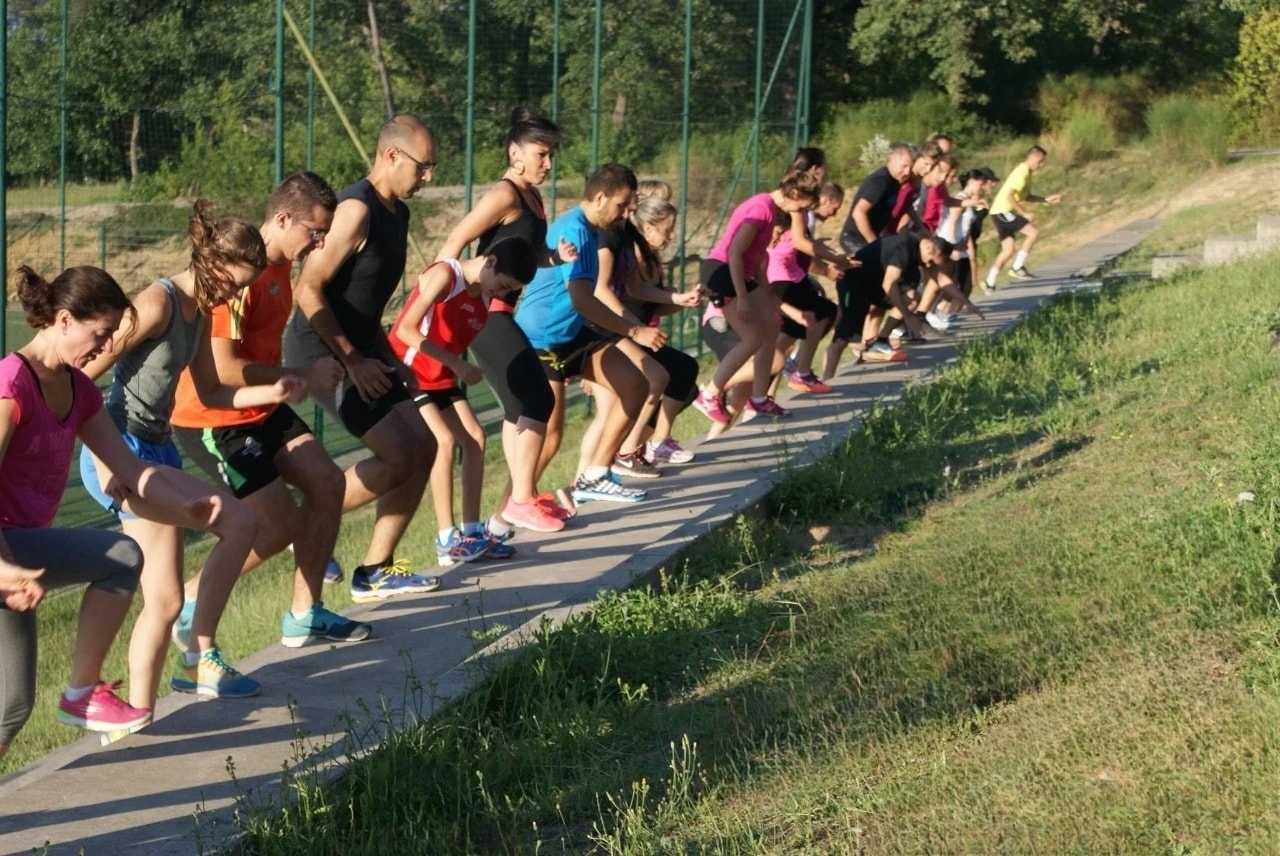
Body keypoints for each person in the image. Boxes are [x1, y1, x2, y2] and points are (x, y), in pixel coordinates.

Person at [80, 202, 304, 708]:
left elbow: (212, 392)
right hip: (121, 450)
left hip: (156, 451)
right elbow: (81, 380)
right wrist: (109, 462)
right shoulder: (156, 303)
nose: (231, 297)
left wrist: (274, 390)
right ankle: (197, 658)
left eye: (239, 290)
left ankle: (140, 713)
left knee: (167, 601)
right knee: (239, 523)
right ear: (209, 262)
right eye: (230, 285)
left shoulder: (199, 314)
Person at [0, 265, 226, 751]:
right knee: (121, 556)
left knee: (10, 708)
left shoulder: (79, 391)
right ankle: (81, 694)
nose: (105, 347)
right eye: (100, 334)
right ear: (64, 319)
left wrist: (185, 506)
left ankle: (79, 695)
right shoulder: (11, 384)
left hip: (18, 561)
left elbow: (131, 468)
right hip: (6, 552)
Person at [169, 172, 373, 649]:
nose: (320, 243)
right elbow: (222, 370)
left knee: (328, 482)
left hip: (261, 404)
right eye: (315, 232)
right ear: (282, 219)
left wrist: (288, 379)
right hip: (213, 416)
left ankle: (306, 614)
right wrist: (299, 375)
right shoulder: (238, 275)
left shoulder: (280, 267)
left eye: (325, 234)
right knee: (277, 526)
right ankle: (189, 601)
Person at [284, 114, 445, 599]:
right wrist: (352, 360)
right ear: (392, 155)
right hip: (323, 350)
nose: (428, 176)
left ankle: (376, 570)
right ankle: (300, 521)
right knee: (399, 453)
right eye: (423, 165)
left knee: (426, 447)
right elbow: (307, 289)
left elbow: (364, 303)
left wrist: (391, 359)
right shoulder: (356, 210)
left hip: (365, 351)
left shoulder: (399, 214)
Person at [434, 107, 575, 538]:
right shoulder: (504, 194)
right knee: (538, 400)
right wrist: (439, 295)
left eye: (551, 156)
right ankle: (520, 501)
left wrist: (554, 257)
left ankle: (506, 515)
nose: (547, 164)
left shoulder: (532, 197)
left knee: (520, 408)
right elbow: (455, 241)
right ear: (515, 153)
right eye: (541, 154)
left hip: (501, 311)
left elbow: (527, 255)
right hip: (485, 312)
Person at [513, 162, 663, 503]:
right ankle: (511, 511)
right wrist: (633, 330)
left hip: (573, 333)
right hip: (543, 340)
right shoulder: (575, 231)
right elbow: (583, 298)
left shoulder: (593, 230)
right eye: (621, 205)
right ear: (599, 198)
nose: (626, 214)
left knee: (635, 384)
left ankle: (594, 476)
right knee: (550, 436)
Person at [389, 237, 539, 565]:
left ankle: (471, 533)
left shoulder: (483, 297)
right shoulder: (445, 275)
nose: (501, 294)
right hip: (408, 372)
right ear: (490, 262)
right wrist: (457, 364)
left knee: (475, 438)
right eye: (503, 285)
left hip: (438, 376)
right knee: (444, 440)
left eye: (510, 291)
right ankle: (447, 539)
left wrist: (455, 366)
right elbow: (405, 331)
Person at [691, 170, 820, 427]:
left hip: (743, 273)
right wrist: (742, 297)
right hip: (723, 272)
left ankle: (760, 398)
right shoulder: (760, 209)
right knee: (752, 339)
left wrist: (765, 293)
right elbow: (735, 253)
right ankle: (709, 394)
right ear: (794, 194)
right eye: (802, 207)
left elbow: (759, 256)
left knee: (771, 328)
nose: (801, 213)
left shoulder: (772, 209)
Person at [822, 233, 948, 377]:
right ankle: (826, 380)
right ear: (927, 247)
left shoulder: (915, 258)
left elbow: (903, 289)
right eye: (930, 261)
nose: (928, 265)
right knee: (842, 339)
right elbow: (888, 284)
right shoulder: (904, 246)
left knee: (911, 298)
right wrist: (908, 316)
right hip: (853, 282)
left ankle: (877, 342)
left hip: (873, 285)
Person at [773, 180, 849, 394]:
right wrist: (829, 264)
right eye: (835, 207)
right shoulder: (802, 214)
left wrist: (809, 274)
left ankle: (789, 376)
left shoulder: (805, 215)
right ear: (823, 199)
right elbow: (800, 247)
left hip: (792, 276)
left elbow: (801, 252)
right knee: (820, 315)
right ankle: (798, 370)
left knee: (812, 320)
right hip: (781, 278)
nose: (834, 214)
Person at [983, 145, 1063, 289]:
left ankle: (989, 282)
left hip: (999, 212)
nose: (1041, 165)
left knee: (1008, 250)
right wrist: (1024, 213)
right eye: (1040, 161)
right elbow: (1009, 196)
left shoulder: (1027, 173)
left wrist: (1045, 200)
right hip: (1002, 211)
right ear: (1031, 158)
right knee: (1033, 233)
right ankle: (1017, 267)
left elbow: (1026, 196)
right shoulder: (1022, 173)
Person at [838, 143, 914, 254]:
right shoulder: (880, 181)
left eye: (910, 168)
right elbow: (858, 212)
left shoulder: (894, 183)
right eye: (904, 166)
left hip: (869, 238)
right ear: (891, 160)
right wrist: (875, 244)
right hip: (854, 238)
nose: (907, 172)